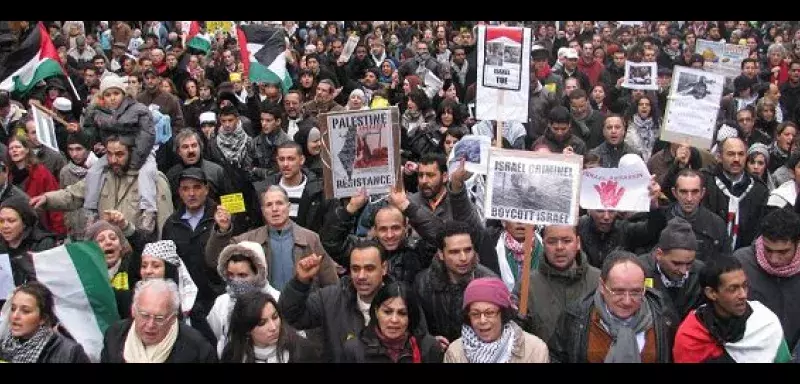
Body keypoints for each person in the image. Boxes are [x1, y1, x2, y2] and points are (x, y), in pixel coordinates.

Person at [280, 239, 402, 362]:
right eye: (355, 269)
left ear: (384, 268)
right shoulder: (330, 299)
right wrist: (300, 282)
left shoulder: (402, 301)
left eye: (369, 268)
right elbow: (291, 316)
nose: (361, 276)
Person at [31, 135, 174, 239]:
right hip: (108, 252)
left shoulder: (153, 180)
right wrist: (46, 199)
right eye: (109, 154)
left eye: (119, 154)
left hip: (139, 256)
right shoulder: (101, 176)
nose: (113, 160)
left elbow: (165, 224)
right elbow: (73, 195)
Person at [548, 251, 678, 363]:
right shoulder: (575, 317)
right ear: (602, 286)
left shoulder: (664, 319)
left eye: (635, 292)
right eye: (618, 291)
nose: (627, 301)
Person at [206, 185, 338, 292]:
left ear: (288, 207)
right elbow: (214, 260)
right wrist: (223, 230)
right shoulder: (247, 241)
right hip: (264, 314)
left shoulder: (311, 238)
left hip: (303, 315)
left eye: (279, 203)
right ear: (263, 210)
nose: (275, 209)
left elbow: (331, 283)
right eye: (269, 205)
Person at [79, 73, 160, 233]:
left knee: (147, 172)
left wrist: (135, 162)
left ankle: (148, 211)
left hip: (139, 153)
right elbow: (91, 137)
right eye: (108, 95)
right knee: (94, 171)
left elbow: (147, 136)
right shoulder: (98, 112)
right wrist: (79, 131)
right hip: (113, 154)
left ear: (124, 94)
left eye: (116, 93)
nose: (112, 98)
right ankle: (90, 211)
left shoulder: (138, 110)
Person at [673, 257, 792, 363]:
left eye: (744, 286)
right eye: (733, 289)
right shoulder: (691, 334)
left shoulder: (764, 322)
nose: (743, 295)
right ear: (712, 293)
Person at [414, 220, 496, 345]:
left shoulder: (490, 283)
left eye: (468, 250)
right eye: (454, 252)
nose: (463, 258)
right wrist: (429, 342)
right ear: (441, 254)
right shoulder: (422, 284)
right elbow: (416, 327)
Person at [100, 278, 218, 363]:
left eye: (159, 318)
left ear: (172, 319)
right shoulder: (114, 337)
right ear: (133, 311)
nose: (150, 325)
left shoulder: (198, 350)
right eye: (145, 316)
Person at [517, 224, 599, 343]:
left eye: (566, 241)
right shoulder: (527, 285)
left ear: (578, 243)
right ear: (543, 244)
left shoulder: (598, 281)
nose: (559, 247)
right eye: (552, 242)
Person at [734, 208, 800, 349]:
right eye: (768, 250)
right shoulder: (741, 263)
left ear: (797, 243)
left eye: (783, 252)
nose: (774, 259)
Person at [444, 277, 549, 363]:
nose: (482, 320)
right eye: (475, 314)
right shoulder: (455, 352)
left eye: (489, 313)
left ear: (503, 315)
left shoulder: (535, 349)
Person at [208, 241, 282, 356]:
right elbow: (215, 334)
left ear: (258, 273)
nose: (236, 281)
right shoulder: (221, 303)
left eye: (242, 275)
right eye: (231, 275)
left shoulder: (278, 300)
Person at [342, 281, 443, 363]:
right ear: (376, 312)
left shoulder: (428, 347)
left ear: (410, 316)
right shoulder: (354, 349)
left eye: (402, 313)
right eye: (387, 312)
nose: (394, 320)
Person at [0, 282, 90, 363]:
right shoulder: (3, 347)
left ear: (43, 318)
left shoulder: (69, 353)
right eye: (13, 309)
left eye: (25, 311)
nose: (15, 316)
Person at [220, 290, 318, 363]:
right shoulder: (232, 355)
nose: (273, 327)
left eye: (275, 317)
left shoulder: (303, 351)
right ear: (247, 329)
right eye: (262, 323)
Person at [638, 218, 705, 320]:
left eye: (689, 263)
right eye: (677, 263)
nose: (683, 271)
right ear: (659, 254)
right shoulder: (639, 271)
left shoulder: (701, 273)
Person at [663, 169, 731, 263]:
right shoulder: (660, 219)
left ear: (702, 193)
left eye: (694, 192)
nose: (689, 198)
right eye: (683, 192)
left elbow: (725, 262)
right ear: (674, 193)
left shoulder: (716, 224)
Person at [6, 135, 65, 236]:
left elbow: (54, 201)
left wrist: (59, 231)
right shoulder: (7, 175)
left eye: (18, 147)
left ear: (27, 150)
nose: (14, 150)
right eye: (11, 148)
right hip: (16, 229)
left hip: (40, 228)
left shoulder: (41, 172)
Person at [0, 198, 58, 288]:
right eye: (1, 221)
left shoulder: (43, 243)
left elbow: (47, 282)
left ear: (24, 223)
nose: (5, 226)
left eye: (11, 221)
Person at [58, 132, 96, 240]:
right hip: (74, 230)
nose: (74, 154)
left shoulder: (98, 170)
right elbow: (63, 201)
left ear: (88, 149)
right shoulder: (65, 172)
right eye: (71, 149)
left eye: (79, 149)